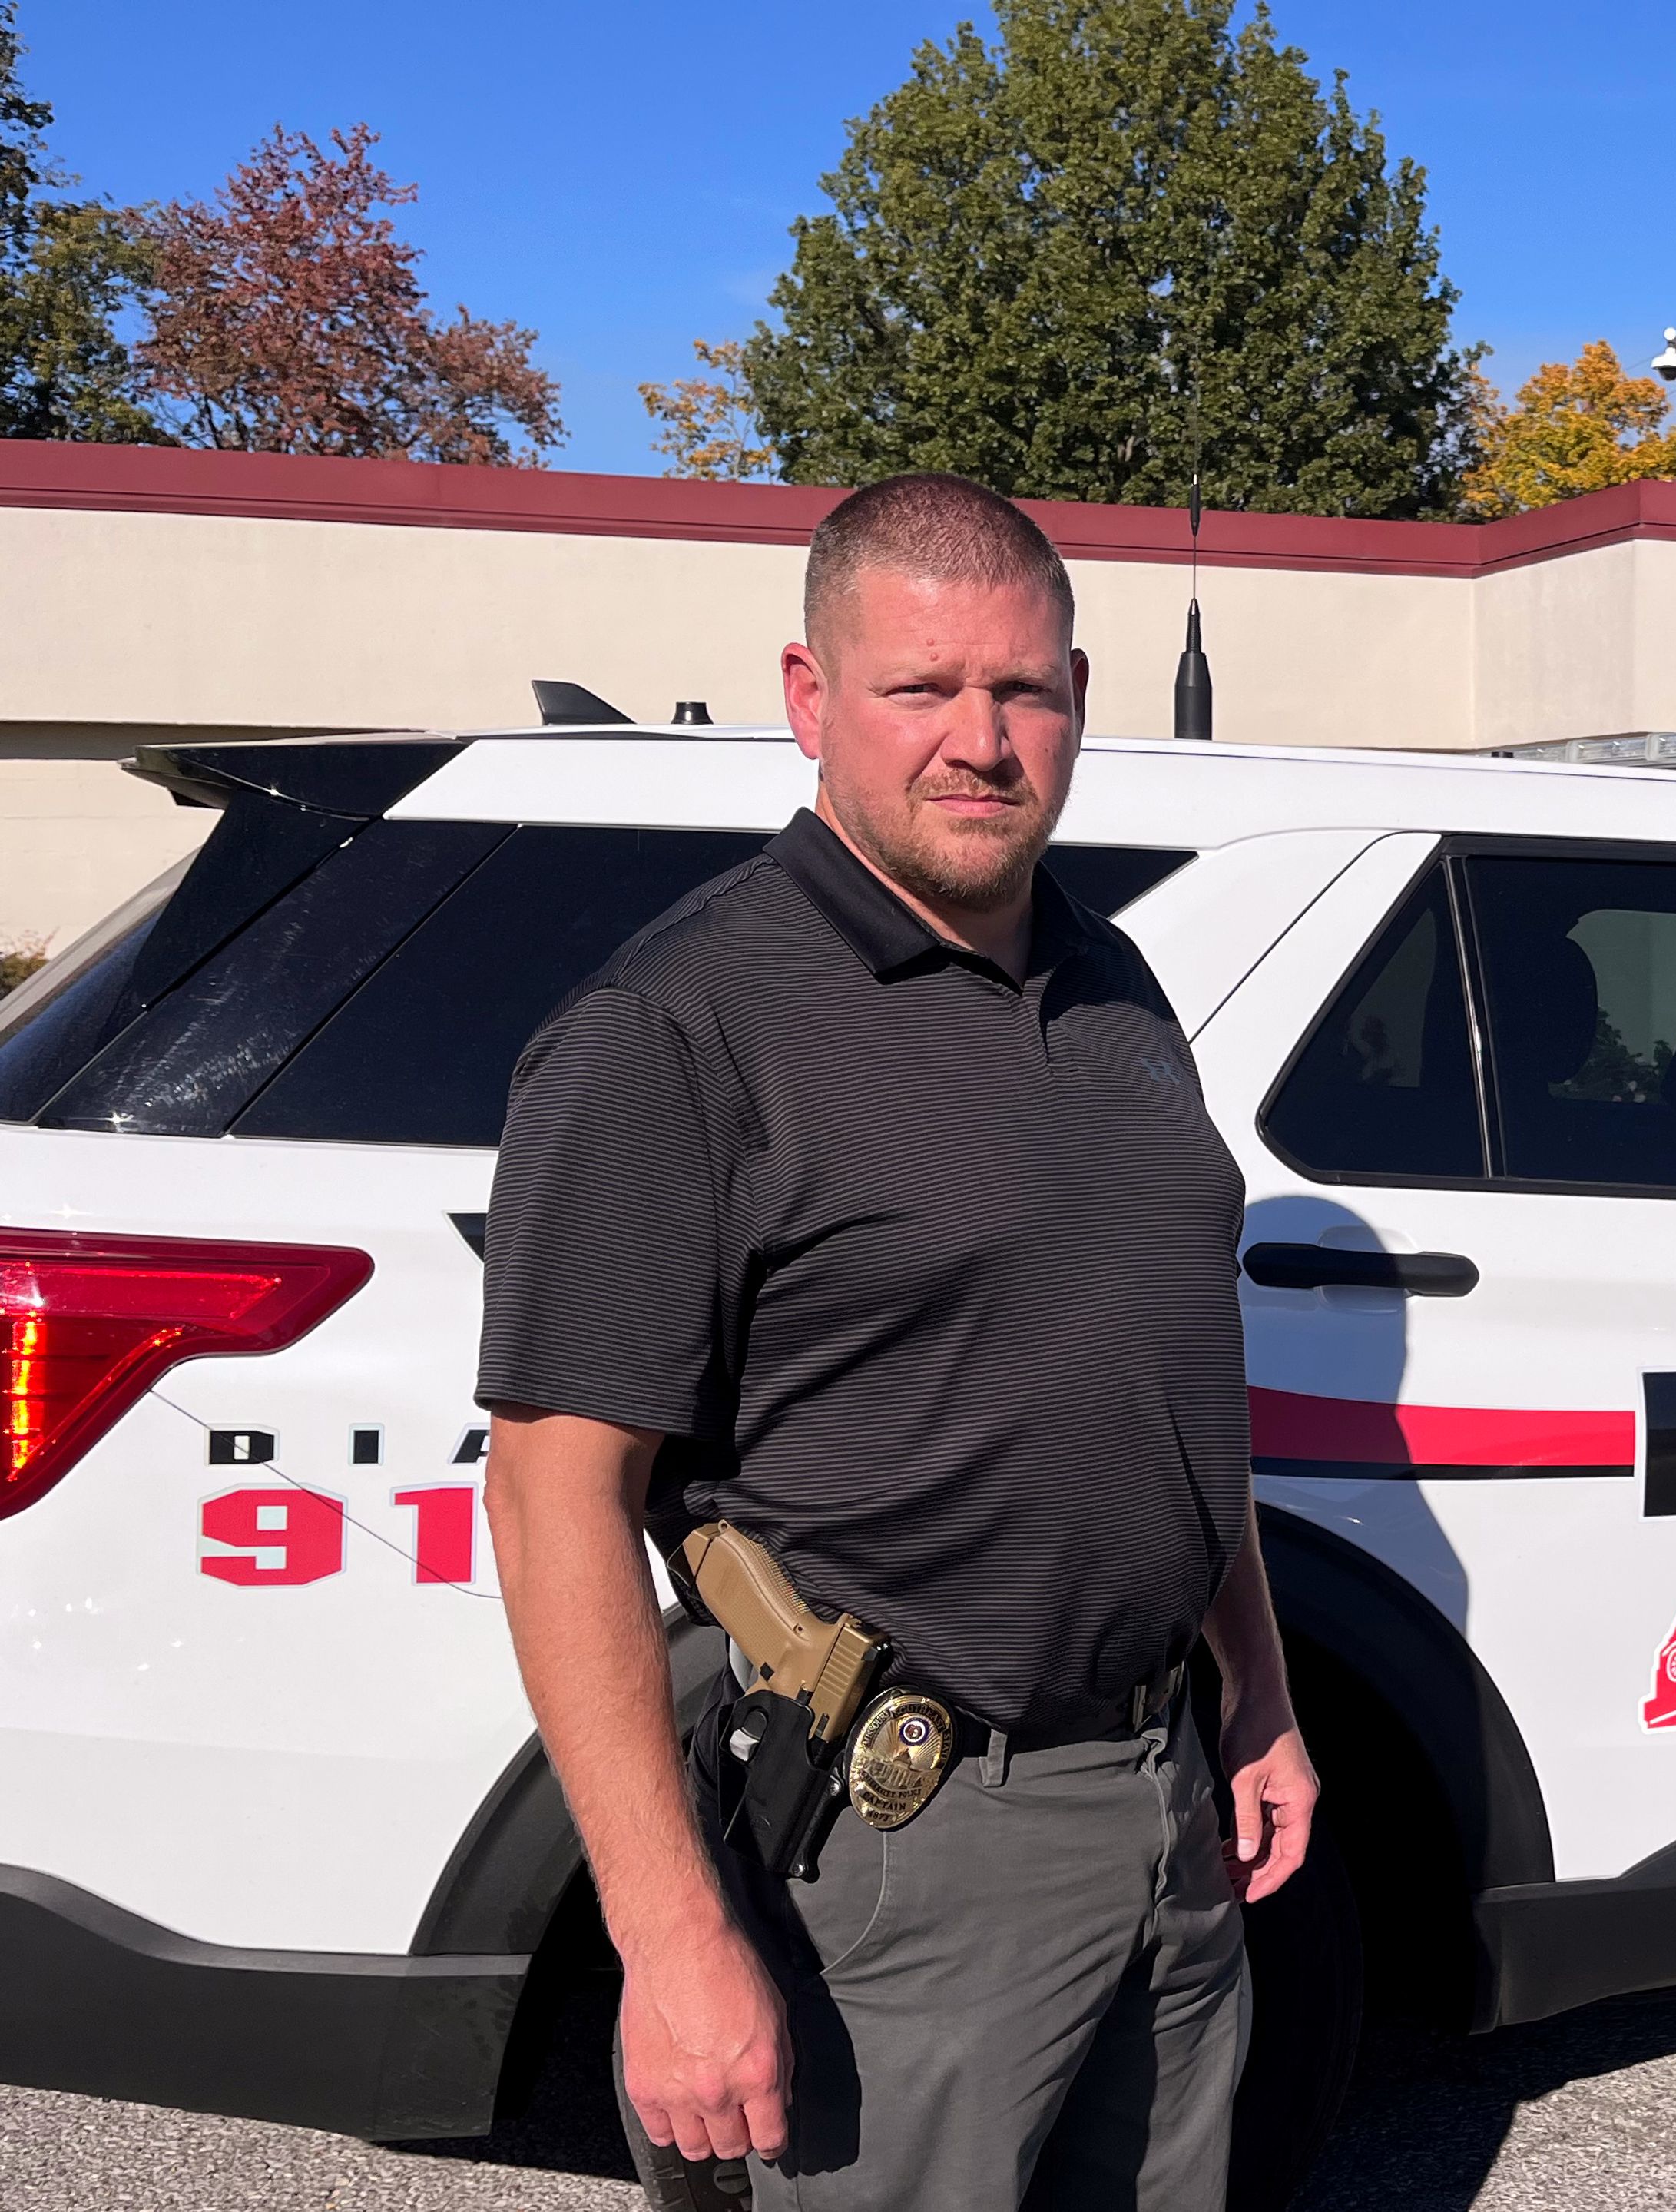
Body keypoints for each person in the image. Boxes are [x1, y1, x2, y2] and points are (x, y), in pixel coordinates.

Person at [478, 470, 1314, 2212]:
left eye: (1023, 688)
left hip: (1162, 1808)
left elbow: (1173, 1379)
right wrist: (671, 1940)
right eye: (921, 690)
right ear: (809, 698)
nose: (982, 740)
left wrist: (1261, 1699)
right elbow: (557, 1491)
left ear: (1076, 696)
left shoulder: (1114, 988)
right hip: (901, 1850)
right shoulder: (680, 1028)